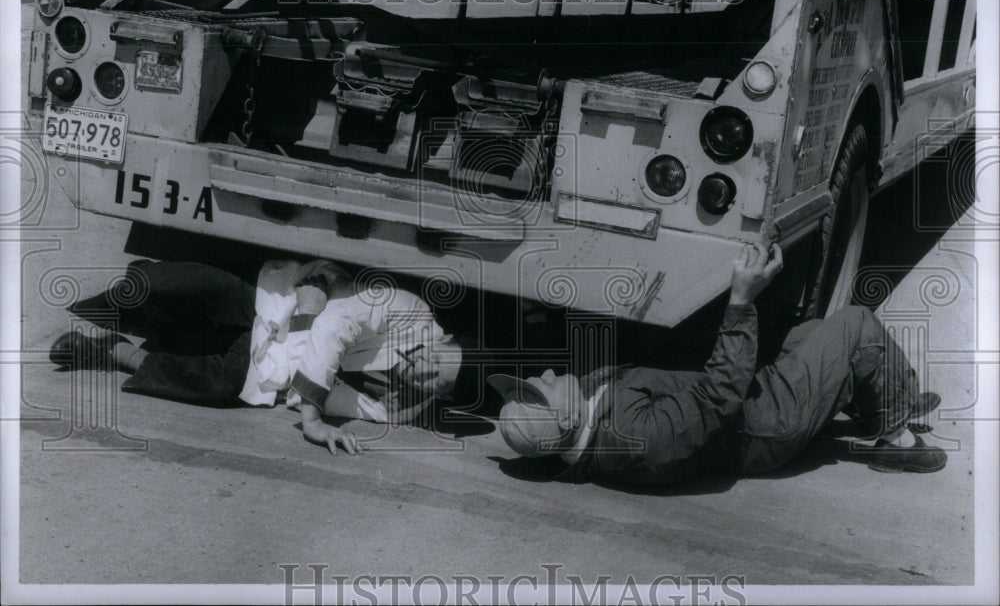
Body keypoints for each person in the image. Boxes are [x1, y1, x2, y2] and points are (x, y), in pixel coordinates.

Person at [488, 244, 946, 486]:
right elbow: (721, 396)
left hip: (755, 406)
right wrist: (741, 299)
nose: (542, 374)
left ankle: (886, 396)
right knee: (855, 325)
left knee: (806, 336)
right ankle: (895, 441)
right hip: (769, 424)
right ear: (566, 419)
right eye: (541, 388)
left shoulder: (587, 424)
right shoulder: (639, 439)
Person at [50, 259, 463, 456]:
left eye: (432, 383)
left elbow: (315, 394)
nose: (423, 372)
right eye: (434, 363)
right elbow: (336, 325)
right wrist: (313, 422)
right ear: (441, 342)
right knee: (162, 285)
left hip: (272, 369)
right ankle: (136, 300)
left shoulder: (398, 406)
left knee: (221, 383)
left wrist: (307, 401)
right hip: (272, 306)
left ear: (438, 397)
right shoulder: (410, 311)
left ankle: (107, 351)